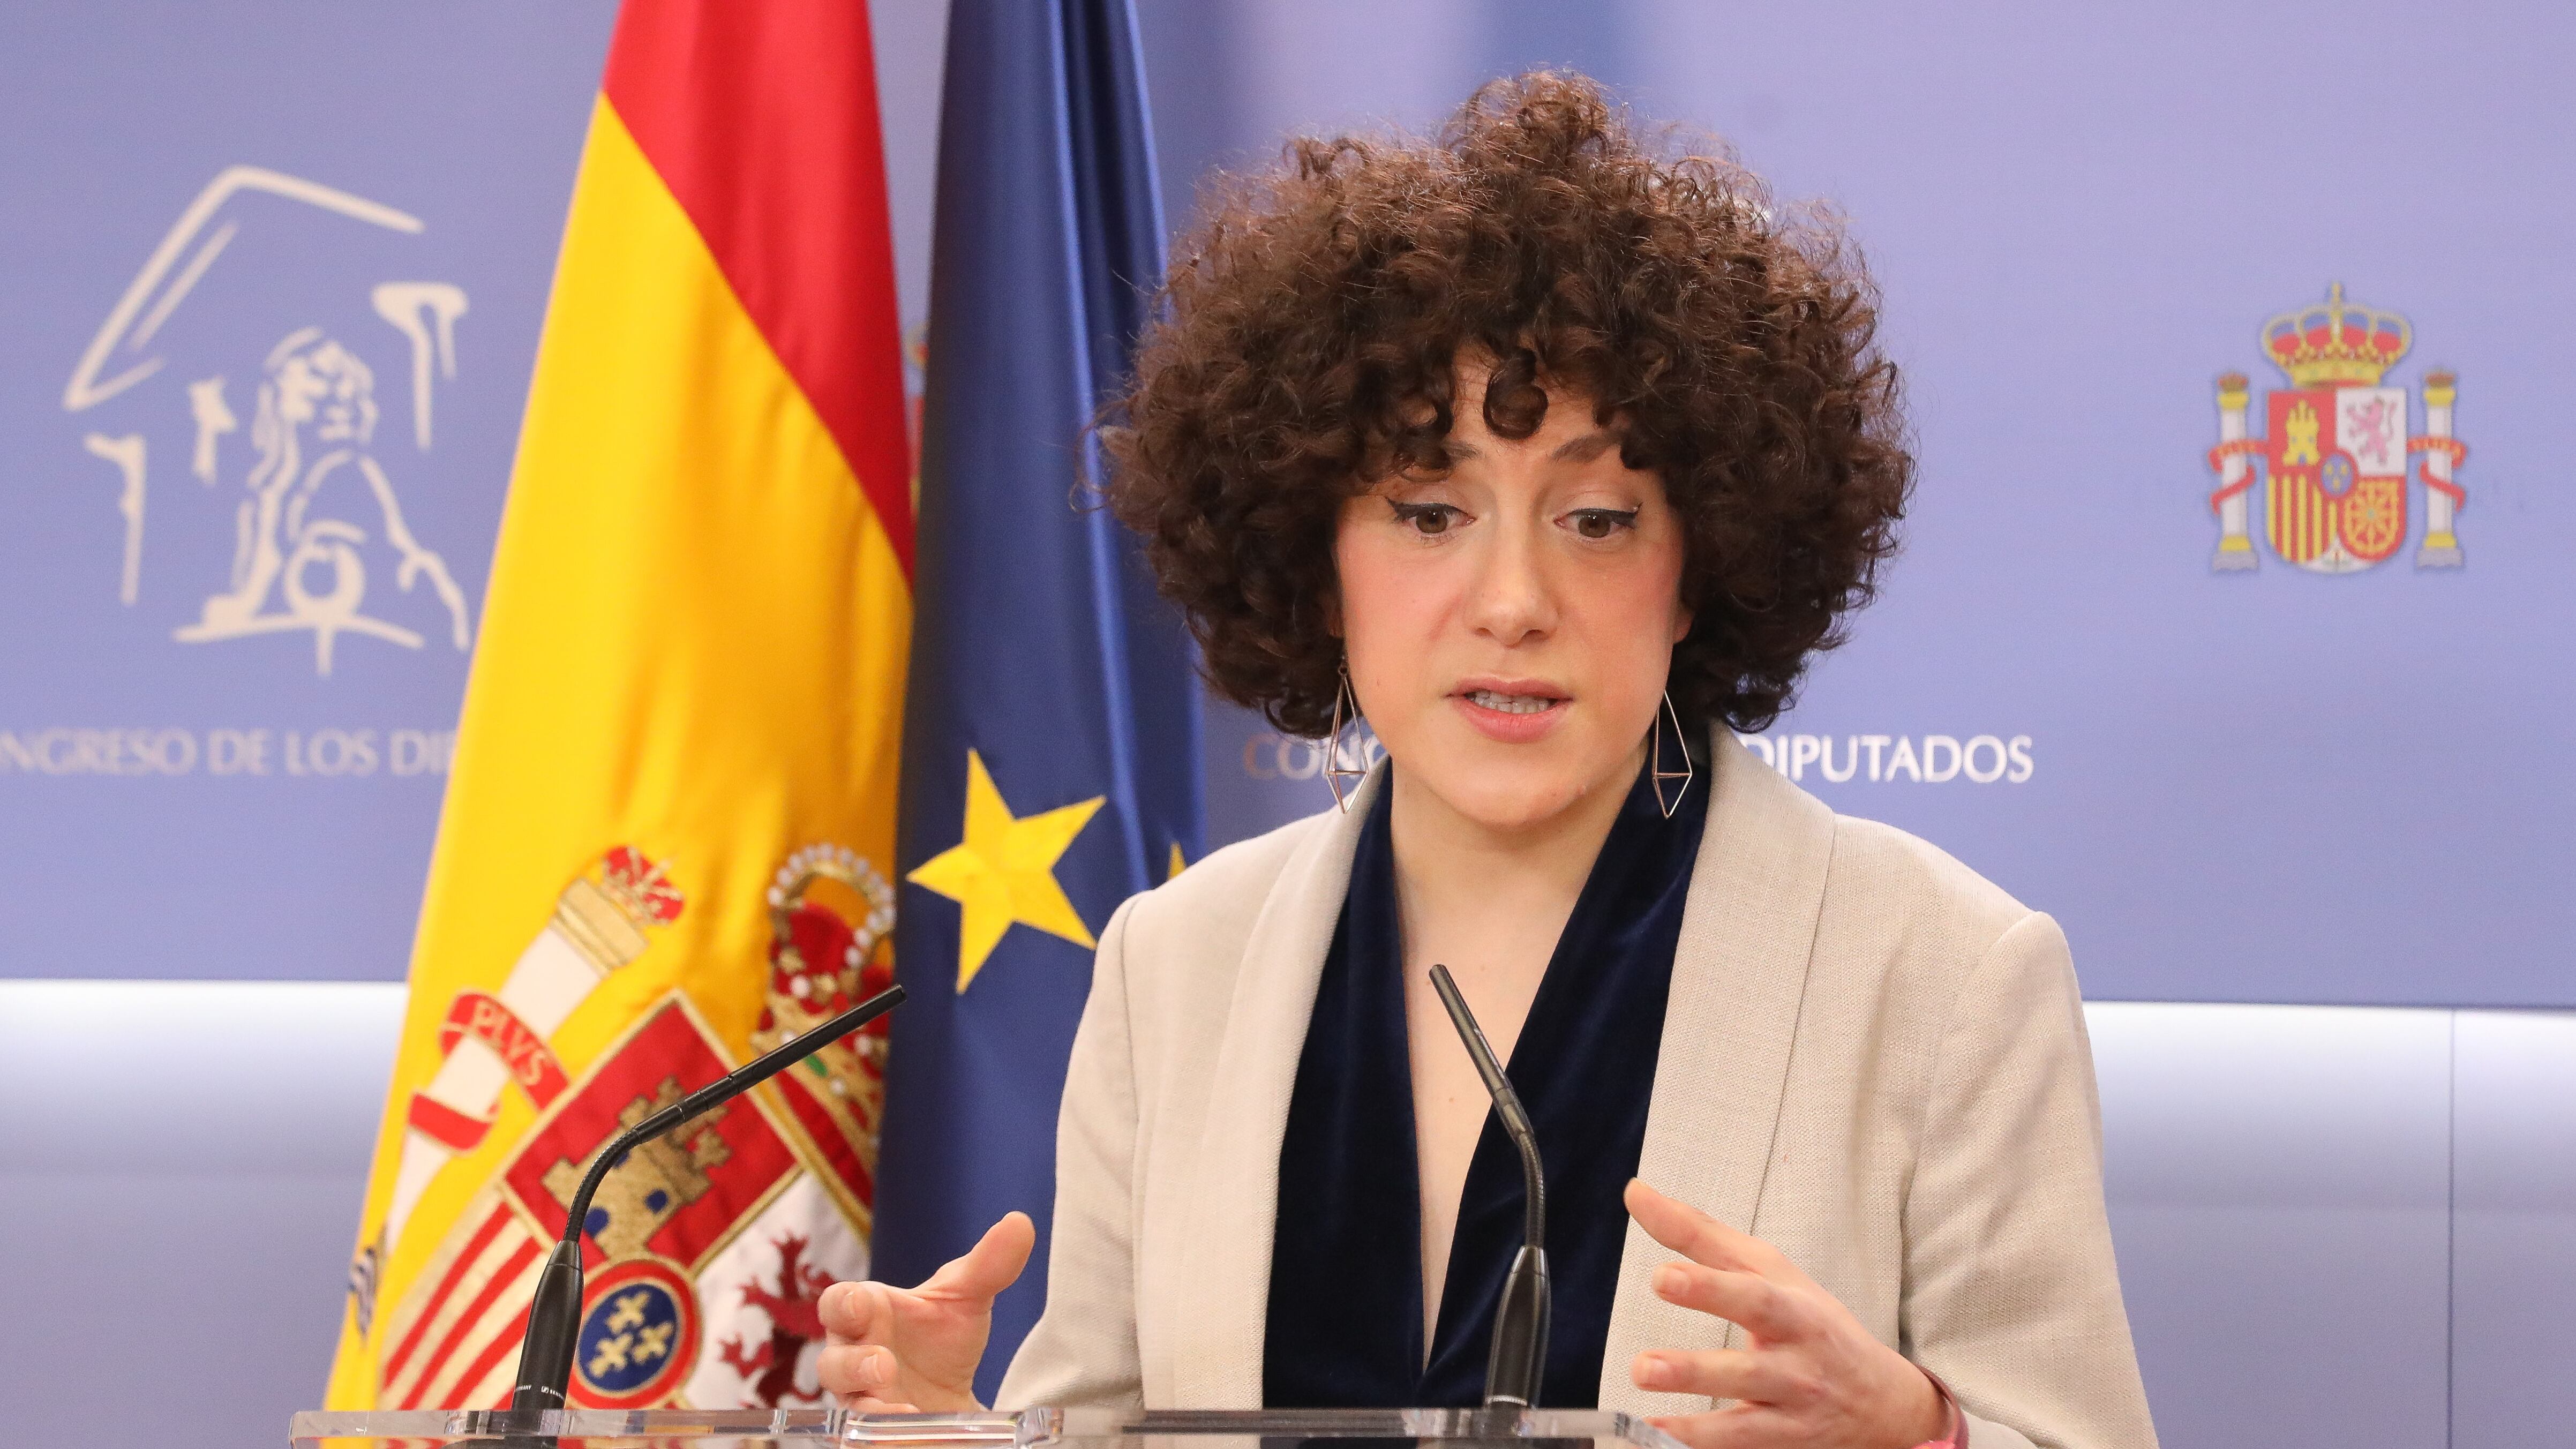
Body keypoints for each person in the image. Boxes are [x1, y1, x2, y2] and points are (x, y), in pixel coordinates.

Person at [818, 72, 2157, 1449]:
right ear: (1315, 562)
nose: (1512, 602)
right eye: (1427, 513)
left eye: (1595, 520)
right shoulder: (1175, 964)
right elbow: (1097, 1429)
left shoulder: (1942, 973)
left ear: (1697, 570)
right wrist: (943, 1428)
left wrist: (1917, 1432)